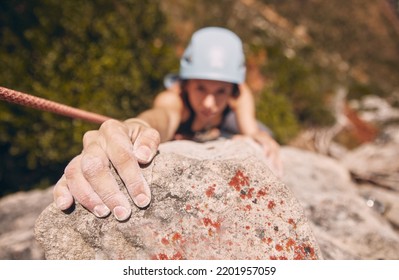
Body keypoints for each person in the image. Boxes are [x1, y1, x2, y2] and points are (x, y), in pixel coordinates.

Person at [53, 27, 282, 222]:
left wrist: (256, 136)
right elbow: (160, 116)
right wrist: (134, 127)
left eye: (221, 91)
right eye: (201, 88)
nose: (210, 103)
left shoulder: (240, 96)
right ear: (185, 84)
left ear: (232, 90)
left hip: (225, 126)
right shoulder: (174, 100)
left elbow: (251, 130)